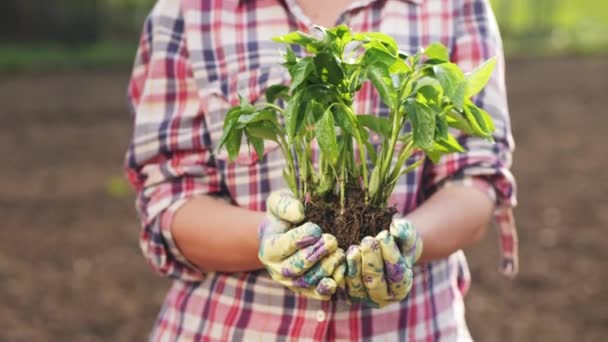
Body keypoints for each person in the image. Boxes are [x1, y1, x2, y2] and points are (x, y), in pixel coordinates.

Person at [125, 0, 518, 340]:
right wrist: (268, 240)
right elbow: (169, 197)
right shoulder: (190, 9)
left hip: (412, 329)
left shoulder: (454, 5)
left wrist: (409, 244)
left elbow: (475, 179)